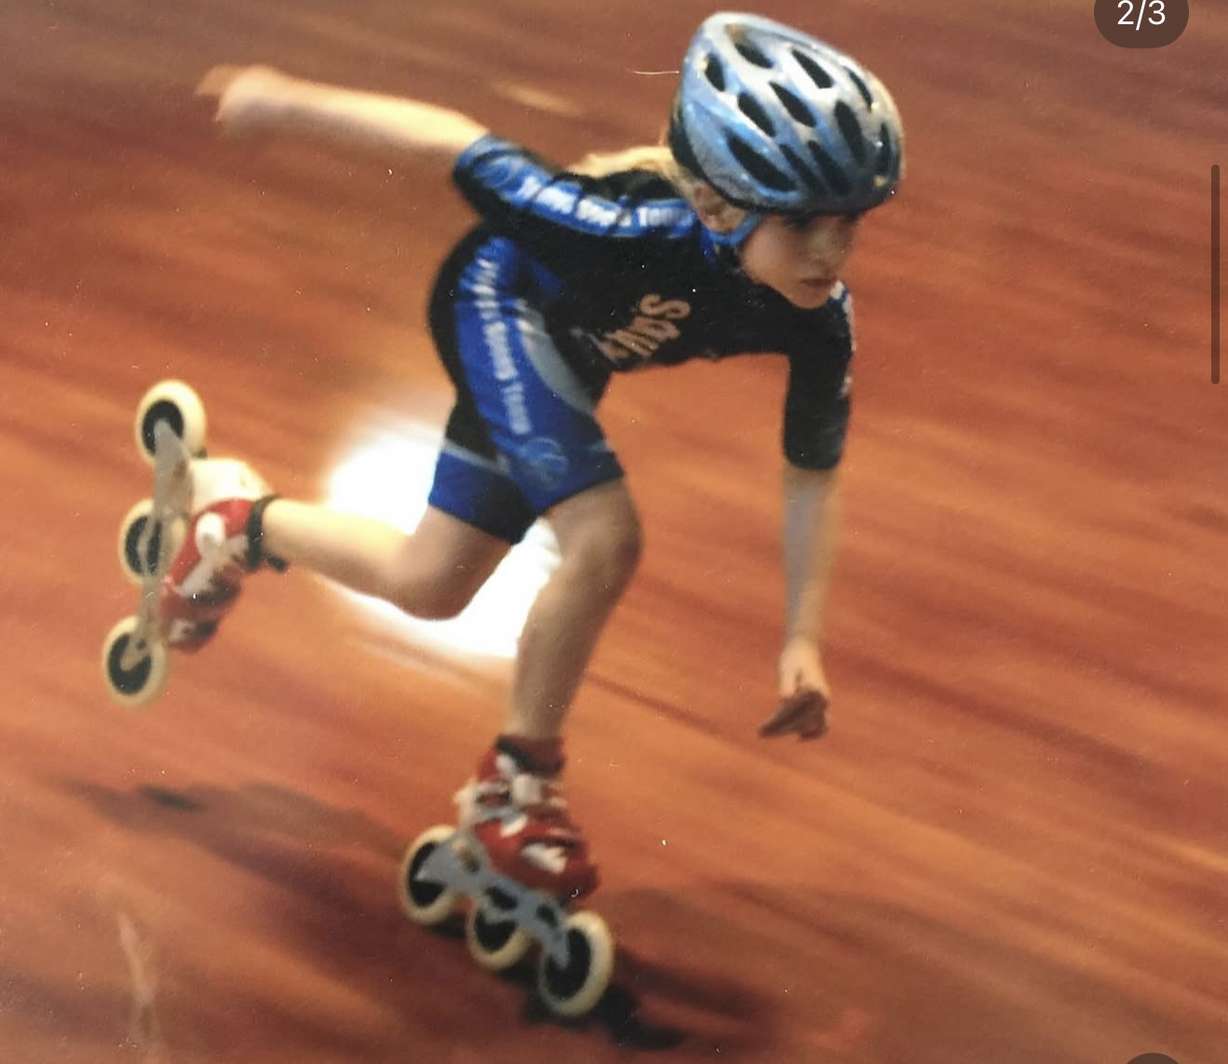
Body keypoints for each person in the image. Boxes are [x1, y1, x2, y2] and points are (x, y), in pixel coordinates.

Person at [176, 12, 904, 902]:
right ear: (715, 203)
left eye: (849, 225)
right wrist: (282, 101)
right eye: (805, 227)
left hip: (574, 350)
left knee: (430, 583)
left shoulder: (820, 317)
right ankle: (515, 787)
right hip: (501, 300)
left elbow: (812, 475)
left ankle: (235, 524)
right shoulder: (623, 223)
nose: (832, 254)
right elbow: (458, 144)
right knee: (606, 537)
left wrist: (801, 636)